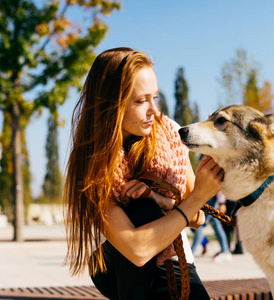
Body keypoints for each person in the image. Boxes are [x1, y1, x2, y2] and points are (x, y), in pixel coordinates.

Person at [64, 47, 224, 300]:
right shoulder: (92, 163)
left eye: (155, 98)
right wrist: (198, 196)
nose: (154, 110)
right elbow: (136, 250)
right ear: (110, 105)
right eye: (141, 101)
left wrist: (160, 199)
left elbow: (198, 220)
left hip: (173, 256)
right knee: (142, 212)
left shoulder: (170, 134)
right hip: (119, 265)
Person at [190, 192, 232, 262]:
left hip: (210, 197)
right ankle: (225, 250)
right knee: (215, 225)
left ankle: (190, 253)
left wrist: (222, 203)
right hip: (206, 196)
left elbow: (218, 183)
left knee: (200, 224)